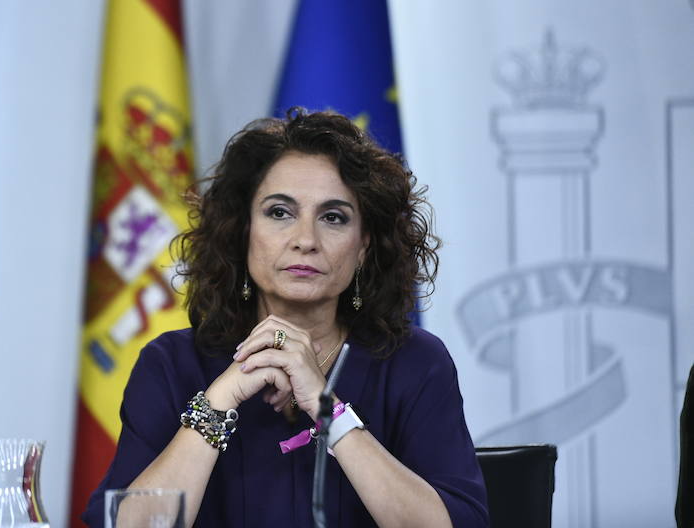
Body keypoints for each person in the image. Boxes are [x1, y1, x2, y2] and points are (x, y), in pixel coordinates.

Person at [83, 109, 488, 527]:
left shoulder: (415, 363)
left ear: (364, 246)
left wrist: (329, 410)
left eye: (333, 217)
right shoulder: (171, 364)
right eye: (280, 212)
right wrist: (219, 401)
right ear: (243, 232)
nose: (305, 240)